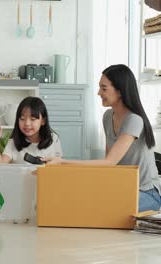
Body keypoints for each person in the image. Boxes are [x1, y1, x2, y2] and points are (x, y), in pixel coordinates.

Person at [45, 64, 161, 212]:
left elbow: (109, 162)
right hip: (122, 189)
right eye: (99, 87)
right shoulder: (107, 117)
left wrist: (62, 163)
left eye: (104, 88)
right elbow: (108, 165)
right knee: (80, 202)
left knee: (102, 209)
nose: (99, 93)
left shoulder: (134, 120)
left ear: (120, 91)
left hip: (148, 193)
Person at [0, 96, 62, 164]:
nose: (27, 123)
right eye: (22, 119)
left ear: (43, 121)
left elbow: (58, 166)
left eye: (32, 119)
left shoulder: (53, 139)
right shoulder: (14, 142)